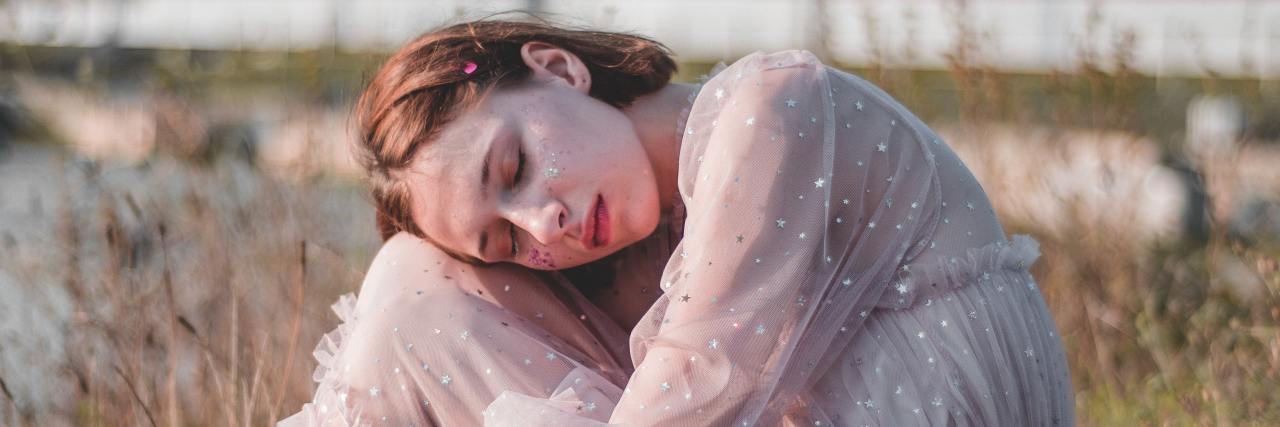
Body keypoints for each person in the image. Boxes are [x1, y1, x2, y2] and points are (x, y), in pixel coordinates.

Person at [281, 16, 1074, 427]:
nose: (543, 225)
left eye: (514, 167)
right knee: (411, 280)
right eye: (506, 241)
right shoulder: (630, 253)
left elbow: (692, 391)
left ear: (558, 68)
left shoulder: (769, 112)